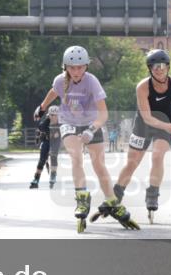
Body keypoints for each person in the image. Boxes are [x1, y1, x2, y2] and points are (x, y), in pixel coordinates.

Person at [34, 46, 139, 232]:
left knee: (99, 165)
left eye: (80, 67)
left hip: (92, 122)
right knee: (76, 157)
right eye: (72, 68)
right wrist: (42, 107)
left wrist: (92, 129)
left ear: (86, 67)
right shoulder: (60, 81)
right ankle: (82, 198)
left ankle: (112, 201)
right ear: (65, 67)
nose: (76, 72)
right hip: (69, 122)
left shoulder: (92, 82)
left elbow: (104, 113)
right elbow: (53, 92)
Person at [112, 49, 171, 223]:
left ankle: (152, 193)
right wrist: (168, 126)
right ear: (149, 69)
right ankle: (115, 195)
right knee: (132, 163)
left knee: (158, 155)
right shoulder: (143, 87)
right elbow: (146, 117)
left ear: (168, 67)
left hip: (165, 122)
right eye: (154, 67)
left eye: (162, 66)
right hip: (144, 124)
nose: (159, 70)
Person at [30, 106, 61, 189]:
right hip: (46, 141)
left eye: (55, 115)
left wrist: (59, 134)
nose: (53, 117)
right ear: (49, 115)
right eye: (51, 115)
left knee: (53, 157)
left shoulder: (61, 123)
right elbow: (40, 127)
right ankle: (36, 179)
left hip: (55, 142)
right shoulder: (46, 122)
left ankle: (53, 175)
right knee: (42, 160)